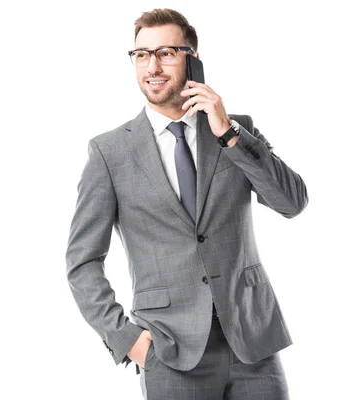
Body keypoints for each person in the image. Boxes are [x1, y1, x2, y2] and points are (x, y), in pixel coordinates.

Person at [65, 8, 308, 400]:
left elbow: (292, 202)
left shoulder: (233, 129)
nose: (153, 66)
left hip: (253, 342)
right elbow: (82, 262)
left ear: (193, 60)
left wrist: (229, 133)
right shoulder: (110, 152)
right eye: (141, 55)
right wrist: (129, 340)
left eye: (167, 52)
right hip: (171, 352)